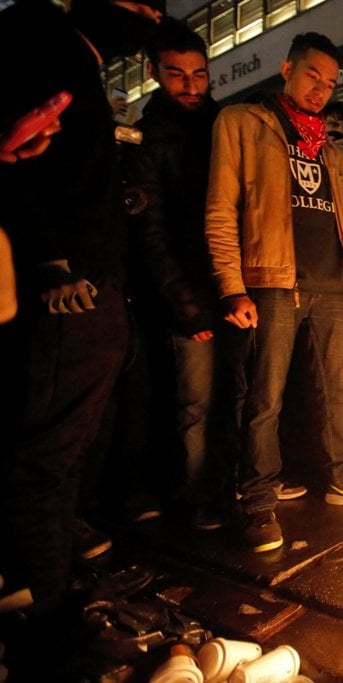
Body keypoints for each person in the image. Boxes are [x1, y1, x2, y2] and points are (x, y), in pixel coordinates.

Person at [0, 0, 163, 616]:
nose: (147, 14)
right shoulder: (42, 42)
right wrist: (51, 262)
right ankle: (40, 606)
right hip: (68, 289)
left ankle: (58, 582)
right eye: (138, 2)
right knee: (45, 451)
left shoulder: (76, 58)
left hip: (96, 278)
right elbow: (24, 160)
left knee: (73, 445)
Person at [206, 32, 343, 553]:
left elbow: (341, 224)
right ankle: (257, 499)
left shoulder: (329, 150)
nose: (322, 89)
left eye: (331, 82)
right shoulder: (243, 122)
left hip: (330, 283)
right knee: (264, 396)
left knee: (339, 392)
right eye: (313, 75)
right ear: (287, 68)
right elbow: (221, 208)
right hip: (272, 279)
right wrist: (230, 286)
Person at [121, 18, 247, 529]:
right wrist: (184, 304)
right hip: (187, 294)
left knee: (236, 395)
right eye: (177, 75)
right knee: (194, 401)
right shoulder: (147, 137)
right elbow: (150, 232)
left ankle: (227, 487)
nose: (191, 85)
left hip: (232, 285)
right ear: (156, 74)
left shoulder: (226, 125)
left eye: (199, 74)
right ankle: (196, 496)